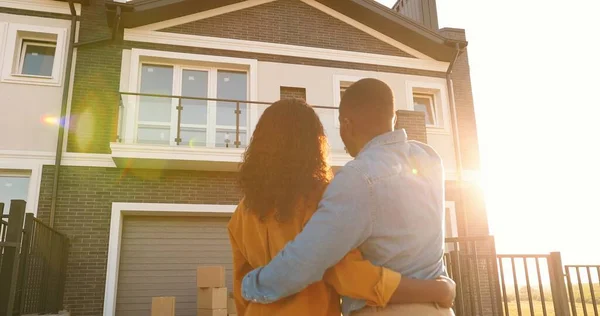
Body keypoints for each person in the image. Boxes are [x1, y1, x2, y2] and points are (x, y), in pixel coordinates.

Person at [240, 79, 452, 316]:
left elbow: (302, 261)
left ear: (346, 123)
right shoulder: (430, 160)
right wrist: (436, 290)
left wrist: (246, 288)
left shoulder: (355, 180)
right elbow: (345, 274)